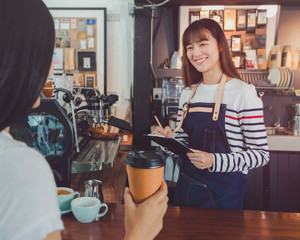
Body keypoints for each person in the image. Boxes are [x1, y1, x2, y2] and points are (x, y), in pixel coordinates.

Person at [0, 0, 167, 239]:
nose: (50, 71)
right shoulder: (20, 168)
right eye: (47, 55)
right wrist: (139, 233)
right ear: (20, 61)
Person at [154, 19, 269, 210]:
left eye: (203, 44)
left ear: (220, 46)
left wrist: (214, 161)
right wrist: (168, 140)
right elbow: (184, 144)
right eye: (190, 47)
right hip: (188, 189)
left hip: (224, 195)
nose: (195, 53)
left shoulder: (244, 92)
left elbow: (261, 154)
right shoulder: (187, 94)